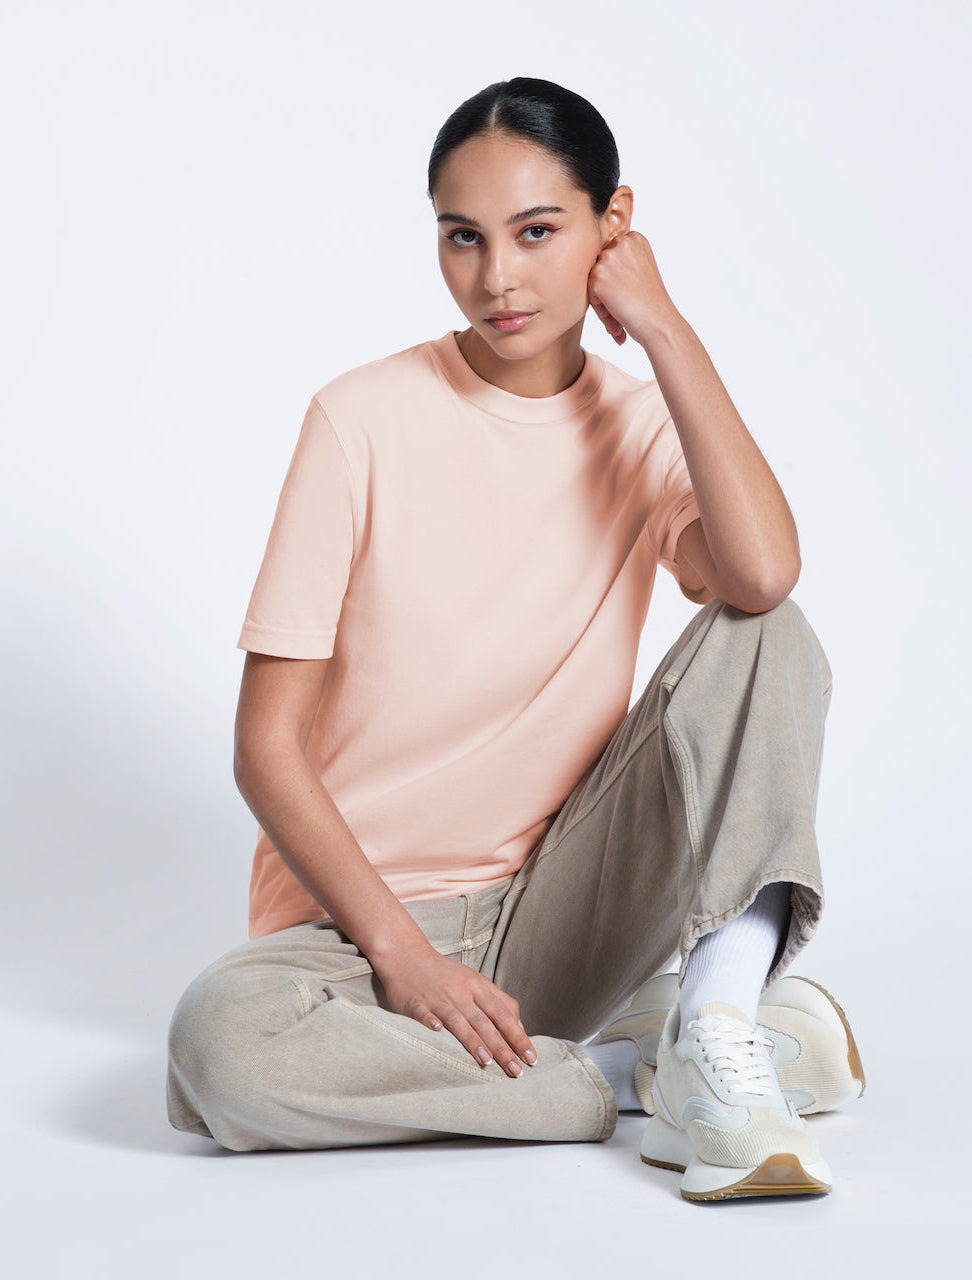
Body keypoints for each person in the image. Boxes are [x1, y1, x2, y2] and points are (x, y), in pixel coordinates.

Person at [165, 76, 865, 1202]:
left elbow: (762, 574)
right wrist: (405, 958)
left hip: (562, 908)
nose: (497, 276)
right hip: (355, 934)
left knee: (766, 631)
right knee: (221, 1045)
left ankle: (716, 1020)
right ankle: (620, 1074)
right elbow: (267, 748)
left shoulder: (639, 425)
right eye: (464, 237)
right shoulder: (359, 419)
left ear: (611, 225)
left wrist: (665, 327)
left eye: (537, 232)